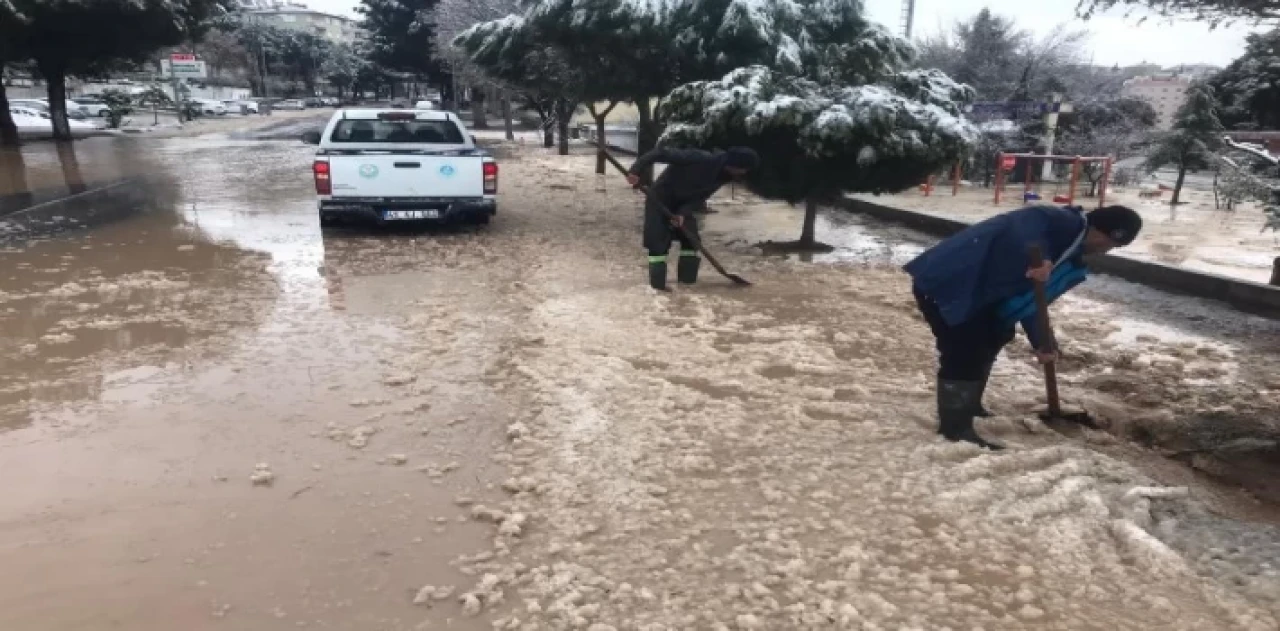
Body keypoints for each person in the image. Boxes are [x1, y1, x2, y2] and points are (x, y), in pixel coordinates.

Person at [904, 204, 1143, 450]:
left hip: (982, 294)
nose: (1105, 250)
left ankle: (970, 406)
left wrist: (1043, 342)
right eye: (1110, 243)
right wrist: (1045, 257)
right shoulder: (1060, 221)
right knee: (965, 350)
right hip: (952, 284)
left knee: (995, 336)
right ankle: (954, 429)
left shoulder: (1071, 258)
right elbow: (1026, 225)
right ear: (1100, 229)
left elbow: (1031, 304)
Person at [626, 147, 760, 290]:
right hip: (660, 199)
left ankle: (687, 287)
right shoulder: (698, 157)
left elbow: (701, 197)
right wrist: (635, 170)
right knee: (657, 243)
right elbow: (660, 153)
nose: (744, 173)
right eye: (744, 169)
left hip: (683, 205)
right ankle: (658, 290)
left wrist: (683, 213)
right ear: (735, 165)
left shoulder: (723, 176)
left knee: (691, 240)